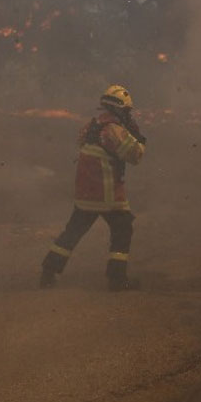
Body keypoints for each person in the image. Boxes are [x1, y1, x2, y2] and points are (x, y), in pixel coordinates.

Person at [40, 84, 146, 291]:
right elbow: (136, 155)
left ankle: (48, 272)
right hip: (107, 194)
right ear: (118, 109)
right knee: (123, 228)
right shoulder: (114, 130)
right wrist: (138, 137)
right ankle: (117, 279)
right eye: (126, 111)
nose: (127, 115)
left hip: (85, 194)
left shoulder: (90, 126)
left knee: (73, 231)